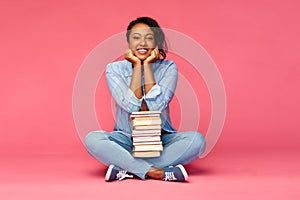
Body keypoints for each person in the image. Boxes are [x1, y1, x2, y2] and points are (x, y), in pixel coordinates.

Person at [84, 17, 206, 182]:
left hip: (160, 139)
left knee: (197, 141)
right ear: (128, 42)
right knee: (92, 139)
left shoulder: (168, 68)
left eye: (148, 38)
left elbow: (156, 105)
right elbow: (131, 106)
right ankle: (157, 172)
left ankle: (126, 168)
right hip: (126, 138)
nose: (142, 42)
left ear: (155, 42)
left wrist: (146, 66)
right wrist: (137, 66)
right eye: (136, 37)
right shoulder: (114, 69)